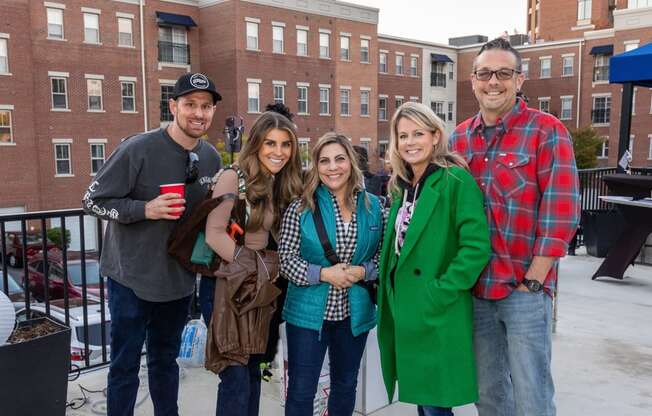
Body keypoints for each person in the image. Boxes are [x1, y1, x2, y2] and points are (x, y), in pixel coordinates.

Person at [449, 37, 580, 416]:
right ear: (473, 80)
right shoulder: (458, 139)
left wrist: (534, 282)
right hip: (475, 291)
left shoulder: (546, 131)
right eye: (485, 73)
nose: (494, 82)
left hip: (524, 291)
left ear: (519, 80)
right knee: (488, 394)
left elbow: (561, 212)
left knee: (531, 396)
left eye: (503, 73)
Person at [82, 72, 222, 416]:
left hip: (177, 281)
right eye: (190, 104)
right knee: (125, 365)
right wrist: (145, 209)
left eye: (206, 106)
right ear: (173, 106)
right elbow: (92, 200)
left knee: (164, 362)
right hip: (129, 278)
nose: (198, 113)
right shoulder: (138, 148)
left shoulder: (212, 159)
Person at [376, 102, 491, 416]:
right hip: (406, 309)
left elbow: (476, 247)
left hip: (437, 310)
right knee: (424, 401)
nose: (410, 142)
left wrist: (438, 292)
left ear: (435, 135)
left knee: (435, 404)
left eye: (417, 134)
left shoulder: (455, 181)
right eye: (403, 136)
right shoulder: (402, 187)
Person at [201, 106, 303, 416]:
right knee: (235, 378)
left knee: (251, 375)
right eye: (270, 143)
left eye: (285, 144)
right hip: (228, 290)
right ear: (256, 143)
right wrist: (256, 267)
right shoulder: (234, 177)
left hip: (258, 292)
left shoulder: (281, 182)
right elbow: (214, 234)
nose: (279, 151)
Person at [279, 133, 385, 416]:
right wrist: (325, 274)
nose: (332, 167)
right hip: (308, 314)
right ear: (316, 167)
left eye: (339, 159)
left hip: (354, 314)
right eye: (324, 161)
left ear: (350, 162)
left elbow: (383, 257)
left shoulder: (374, 207)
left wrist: (364, 270)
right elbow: (286, 261)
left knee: (345, 385)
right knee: (301, 389)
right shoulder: (301, 208)